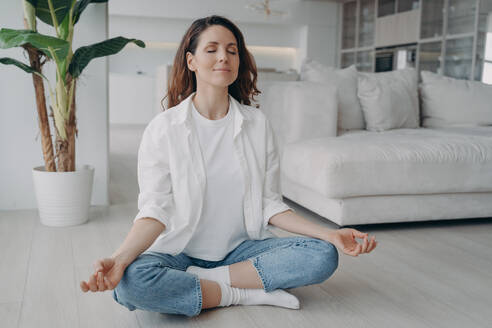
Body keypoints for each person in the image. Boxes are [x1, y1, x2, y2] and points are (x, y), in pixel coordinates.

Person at [80, 15, 377, 317]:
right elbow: (155, 210)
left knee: (322, 255)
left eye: (232, 50)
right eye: (212, 49)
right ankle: (243, 293)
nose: (224, 56)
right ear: (191, 61)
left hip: (242, 252)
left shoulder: (257, 124)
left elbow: (269, 205)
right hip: (180, 253)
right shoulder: (164, 128)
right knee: (130, 283)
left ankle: (208, 285)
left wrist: (329, 234)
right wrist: (119, 259)